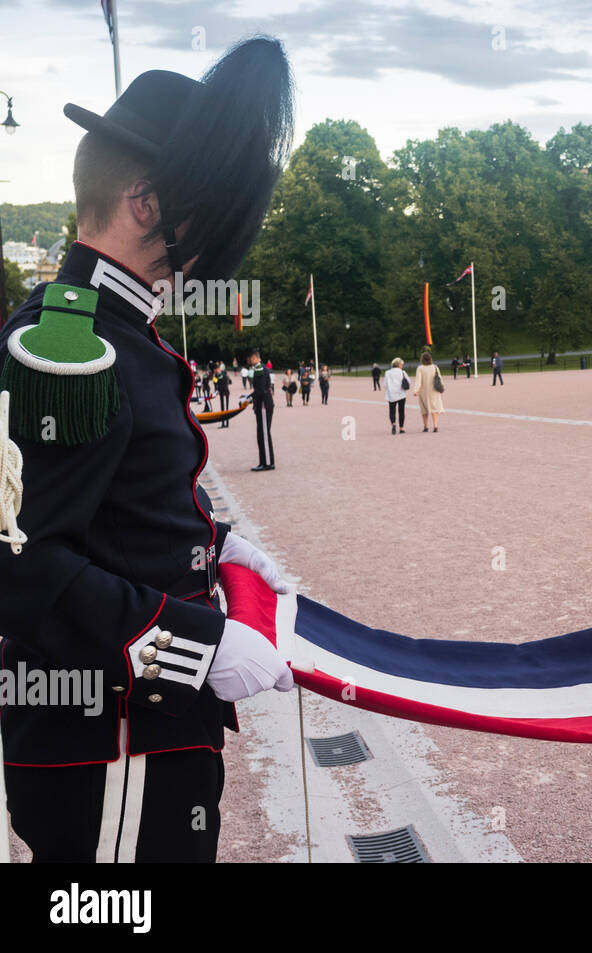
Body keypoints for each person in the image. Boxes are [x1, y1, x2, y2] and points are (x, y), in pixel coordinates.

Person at [0, 38, 296, 863]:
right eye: (201, 206)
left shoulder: (120, 335)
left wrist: (222, 544)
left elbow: (119, 512)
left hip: (147, 734)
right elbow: (23, 568)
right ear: (143, 200)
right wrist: (195, 645)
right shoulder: (65, 346)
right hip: (107, 744)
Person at [248, 347, 276, 470]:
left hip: (264, 403)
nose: (248, 360)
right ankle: (263, 461)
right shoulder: (259, 368)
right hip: (263, 402)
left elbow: (259, 389)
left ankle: (268, 463)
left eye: (249, 358)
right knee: (261, 433)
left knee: (264, 433)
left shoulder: (259, 368)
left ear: (254, 358)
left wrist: (248, 399)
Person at [413, 350, 444, 431]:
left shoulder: (420, 368)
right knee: (435, 408)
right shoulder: (435, 367)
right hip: (434, 390)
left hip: (424, 391)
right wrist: (442, 388)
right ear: (430, 359)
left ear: (422, 359)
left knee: (424, 410)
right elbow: (439, 378)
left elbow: (418, 380)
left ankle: (426, 426)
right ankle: (435, 426)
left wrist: (416, 390)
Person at [384, 357, 410, 434]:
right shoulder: (402, 372)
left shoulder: (387, 372)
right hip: (401, 394)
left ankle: (393, 423)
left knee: (392, 411)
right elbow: (409, 381)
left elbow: (385, 385)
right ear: (399, 364)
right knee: (401, 411)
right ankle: (401, 428)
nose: (402, 366)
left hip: (391, 394)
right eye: (401, 364)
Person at [214, 361, 232, 427]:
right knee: (222, 408)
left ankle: (225, 424)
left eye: (215, 369)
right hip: (222, 393)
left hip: (224, 393)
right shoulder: (217, 375)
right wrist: (216, 391)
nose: (214, 371)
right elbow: (216, 384)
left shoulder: (223, 375)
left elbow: (225, 385)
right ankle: (223, 423)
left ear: (218, 369)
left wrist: (218, 390)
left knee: (225, 409)